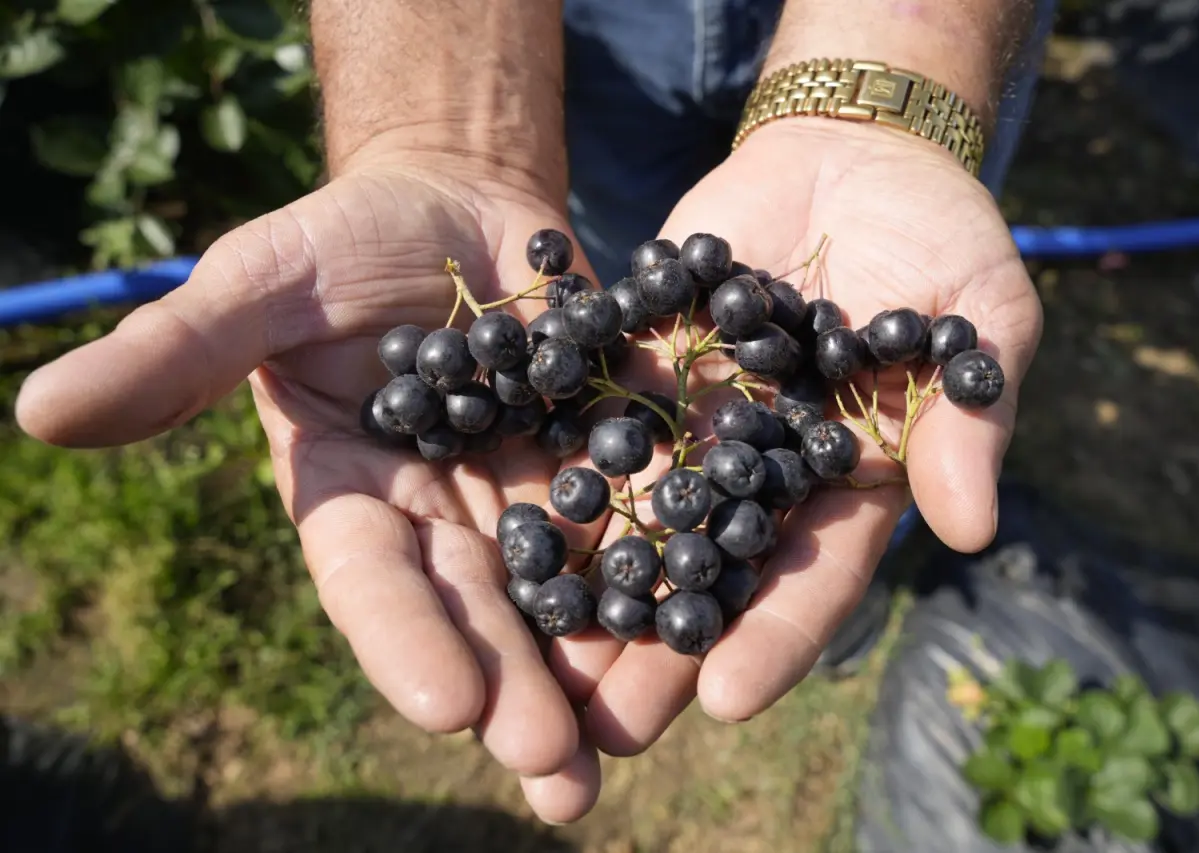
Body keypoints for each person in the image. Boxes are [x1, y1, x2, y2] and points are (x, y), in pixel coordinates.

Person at [14, 0, 1053, 826]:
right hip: (584, 37)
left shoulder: (755, 373)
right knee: (592, 246)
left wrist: (886, 97)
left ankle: (872, 574)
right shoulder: (553, 348)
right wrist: (437, 134)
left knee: (856, 450)